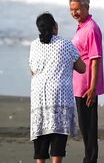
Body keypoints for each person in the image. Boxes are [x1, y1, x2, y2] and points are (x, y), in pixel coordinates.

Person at [29, 12, 85, 163]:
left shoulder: (34, 45)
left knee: (41, 136)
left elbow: (32, 70)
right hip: (60, 95)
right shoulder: (66, 44)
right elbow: (82, 68)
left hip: (39, 96)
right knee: (58, 136)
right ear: (55, 26)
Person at [69, 0, 104, 163]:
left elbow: (95, 59)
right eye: (71, 9)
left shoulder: (91, 28)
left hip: (87, 87)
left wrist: (92, 88)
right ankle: (88, 159)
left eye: (77, 9)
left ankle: (90, 160)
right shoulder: (82, 26)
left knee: (89, 128)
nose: (74, 12)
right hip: (78, 85)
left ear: (86, 8)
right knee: (84, 126)